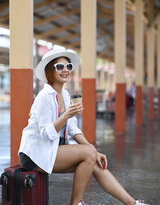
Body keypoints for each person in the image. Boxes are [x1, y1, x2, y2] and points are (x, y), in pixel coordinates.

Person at [18, 47, 150, 205]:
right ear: (49, 71)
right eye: (60, 67)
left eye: (68, 66)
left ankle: (132, 203)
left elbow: (73, 130)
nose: (65, 70)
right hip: (35, 154)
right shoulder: (44, 97)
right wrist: (66, 115)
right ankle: (75, 203)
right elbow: (46, 134)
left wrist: (94, 151)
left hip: (52, 149)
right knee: (89, 153)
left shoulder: (66, 95)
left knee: (94, 161)